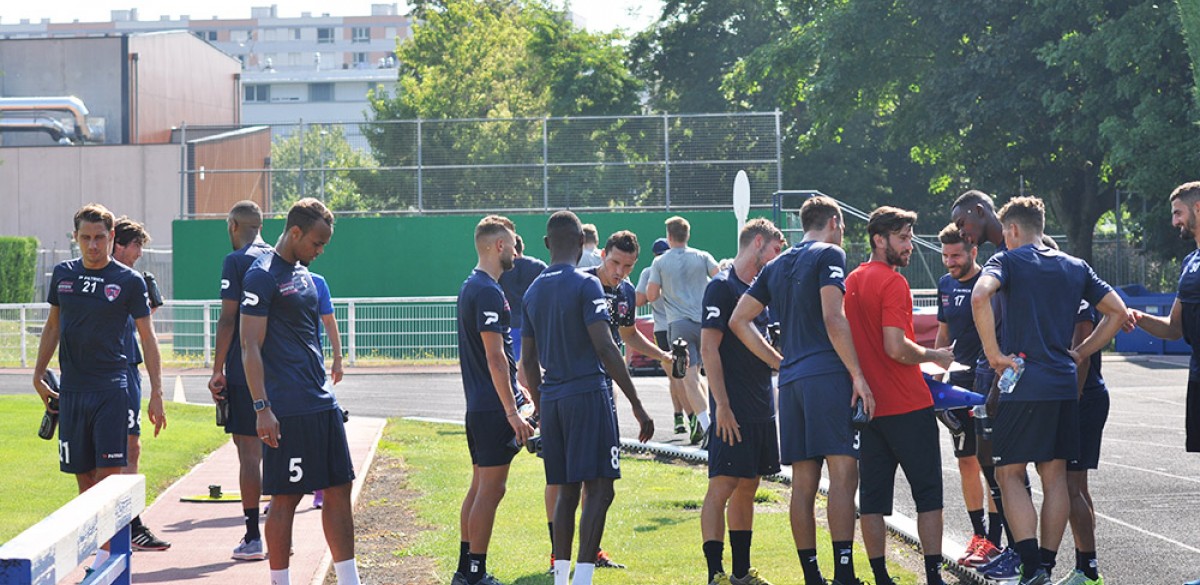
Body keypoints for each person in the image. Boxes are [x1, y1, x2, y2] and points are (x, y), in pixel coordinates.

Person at [970, 196, 1126, 585]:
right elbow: (1118, 312)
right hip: (1061, 385)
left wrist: (993, 354)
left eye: (1005, 235)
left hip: (1023, 385)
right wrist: (1080, 352)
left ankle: (1031, 566)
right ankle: (1047, 564)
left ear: (1013, 230)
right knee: (1054, 477)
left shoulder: (1005, 261)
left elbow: (979, 295)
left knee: (1009, 474)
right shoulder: (1075, 266)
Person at [730, 196, 874, 585]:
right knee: (844, 474)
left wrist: (779, 361)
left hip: (791, 382)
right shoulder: (829, 253)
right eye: (842, 227)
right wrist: (857, 375)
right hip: (827, 376)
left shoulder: (776, 264)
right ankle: (844, 573)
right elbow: (833, 315)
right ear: (834, 221)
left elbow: (739, 320)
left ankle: (812, 576)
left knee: (804, 482)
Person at [520, 210, 654, 585]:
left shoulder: (532, 291)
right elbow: (607, 348)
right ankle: (582, 578)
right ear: (583, 244)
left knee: (566, 490)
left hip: (554, 399)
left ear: (547, 244)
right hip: (588, 395)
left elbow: (527, 362)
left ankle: (562, 577)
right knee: (601, 489)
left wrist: (542, 409)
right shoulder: (586, 285)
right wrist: (637, 404)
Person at [32, 203, 166, 575]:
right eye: (86, 238)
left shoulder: (128, 281)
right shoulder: (62, 276)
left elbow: (149, 338)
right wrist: (38, 372)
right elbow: (53, 325)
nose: (93, 245)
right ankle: (101, 551)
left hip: (112, 391)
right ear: (76, 238)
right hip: (72, 393)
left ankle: (108, 560)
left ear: (111, 237)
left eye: (100, 238)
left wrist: (156, 392)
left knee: (109, 481)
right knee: (84, 479)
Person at [240, 198, 361, 585]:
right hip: (286, 408)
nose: (320, 251)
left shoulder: (306, 275)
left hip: (322, 402)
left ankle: (349, 579)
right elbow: (249, 346)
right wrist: (261, 407)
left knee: (340, 489)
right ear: (295, 232)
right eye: (317, 242)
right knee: (286, 498)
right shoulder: (262, 276)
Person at [843, 206, 953, 585]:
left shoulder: (852, 280)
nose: (909, 246)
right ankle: (934, 578)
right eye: (903, 238)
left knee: (872, 500)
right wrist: (935, 355)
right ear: (879, 239)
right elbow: (895, 346)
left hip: (870, 409)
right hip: (908, 404)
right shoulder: (892, 283)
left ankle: (880, 577)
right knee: (929, 496)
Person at [561, 230, 674, 571]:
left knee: (598, 478)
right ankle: (560, 557)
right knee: (566, 480)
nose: (619, 272)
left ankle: (589, 552)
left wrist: (662, 356)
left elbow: (627, 336)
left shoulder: (625, 292)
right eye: (614, 263)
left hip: (603, 390)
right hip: (573, 389)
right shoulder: (580, 284)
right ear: (602, 256)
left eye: (627, 266)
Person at [698, 219, 785, 585]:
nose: (777, 260)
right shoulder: (721, 286)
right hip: (732, 409)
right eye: (776, 251)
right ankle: (714, 573)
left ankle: (739, 572)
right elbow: (708, 349)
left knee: (749, 485)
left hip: (761, 406)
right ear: (759, 243)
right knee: (722, 486)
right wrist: (722, 406)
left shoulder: (760, 288)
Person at [1122, 181, 1200, 585]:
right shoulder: (1191, 263)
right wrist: (1133, 315)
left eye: (1178, 213)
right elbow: (1172, 328)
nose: (1175, 222)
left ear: (1198, 208)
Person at [453, 215, 536, 585]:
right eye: (514, 245)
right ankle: (475, 574)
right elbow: (494, 357)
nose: (518, 254)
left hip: (482, 405)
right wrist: (512, 411)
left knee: (479, 488)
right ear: (499, 246)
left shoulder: (473, 285)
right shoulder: (487, 291)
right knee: (491, 490)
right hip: (491, 408)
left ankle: (464, 570)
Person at [950, 189, 1023, 579]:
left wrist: (998, 371)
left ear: (981, 212)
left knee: (1010, 469)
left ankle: (1023, 553)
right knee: (992, 466)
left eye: (964, 223)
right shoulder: (1002, 257)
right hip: (988, 376)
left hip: (1005, 379)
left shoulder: (1013, 257)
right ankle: (1010, 548)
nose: (963, 232)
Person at [207, 200, 274, 561]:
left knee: (249, 455)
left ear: (233, 224)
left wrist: (218, 370)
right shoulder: (281, 257)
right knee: (278, 449)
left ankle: (253, 537)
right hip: (282, 371)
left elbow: (228, 320)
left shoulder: (236, 261)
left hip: (246, 370)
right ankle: (282, 533)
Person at [933, 223, 1002, 567]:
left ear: (974, 251)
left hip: (986, 384)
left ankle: (995, 540)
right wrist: (936, 376)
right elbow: (943, 336)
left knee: (992, 463)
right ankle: (978, 536)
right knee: (966, 462)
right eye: (945, 255)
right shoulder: (944, 284)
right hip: (956, 386)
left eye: (956, 255)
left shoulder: (990, 283)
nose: (950, 262)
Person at [110, 216, 171, 551]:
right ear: (120, 243)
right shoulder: (98, 277)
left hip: (130, 366)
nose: (139, 254)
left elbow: (144, 332)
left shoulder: (134, 281)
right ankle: (116, 528)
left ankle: (132, 523)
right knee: (109, 453)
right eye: (137, 247)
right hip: (106, 373)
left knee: (132, 446)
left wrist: (148, 306)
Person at [646, 216, 720, 445]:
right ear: (687, 235)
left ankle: (708, 427)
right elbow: (720, 277)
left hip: (678, 323)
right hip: (705, 322)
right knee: (706, 373)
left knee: (688, 377)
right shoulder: (702, 256)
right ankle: (717, 419)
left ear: (669, 237)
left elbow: (651, 296)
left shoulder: (660, 262)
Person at [637, 237, 693, 436]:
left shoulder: (649, 271)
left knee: (674, 376)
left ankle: (681, 415)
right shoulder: (681, 269)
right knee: (687, 374)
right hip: (682, 324)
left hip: (662, 328)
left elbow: (639, 300)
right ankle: (691, 416)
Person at [308, 271, 345, 510]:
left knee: (316, 427)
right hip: (279, 369)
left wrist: (338, 358)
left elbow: (329, 321)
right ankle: (280, 493)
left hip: (312, 366)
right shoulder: (270, 277)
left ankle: (320, 488)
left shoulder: (317, 282)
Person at [499, 234, 548, 364]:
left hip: (510, 323)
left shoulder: (502, 269)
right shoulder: (538, 267)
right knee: (534, 365)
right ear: (522, 247)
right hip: (535, 324)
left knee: (513, 365)